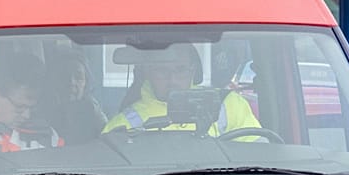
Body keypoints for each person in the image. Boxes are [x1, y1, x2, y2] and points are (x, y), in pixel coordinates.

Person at [103, 42, 262, 136]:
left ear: (193, 71)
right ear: (148, 73)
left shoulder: (228, 105)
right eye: (162, 70)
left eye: (181, 70)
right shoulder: (121, 125)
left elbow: (257, 156)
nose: (172, 79)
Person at [46, 49, 107, 144]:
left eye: (78, 77)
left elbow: (107, 136)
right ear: (54, 80)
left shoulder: (91, 108)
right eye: (64, 76)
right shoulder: (41, 109)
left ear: (86, 83)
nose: (71, 82)